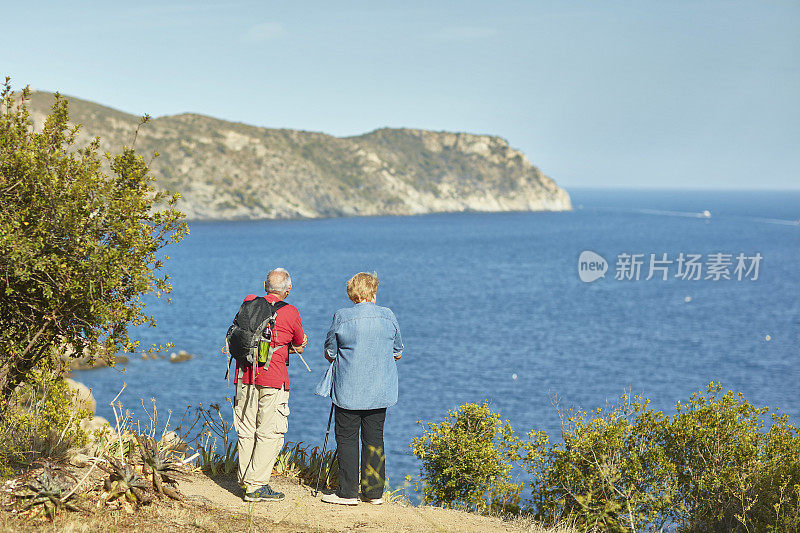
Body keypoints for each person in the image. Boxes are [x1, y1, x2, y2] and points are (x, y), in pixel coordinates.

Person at [321, 272, 403, 506]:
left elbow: (330, 352)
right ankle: (374, 493)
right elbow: (398, 351)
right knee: (374, 438)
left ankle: (347, 493)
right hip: (379, 390)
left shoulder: (342, 316)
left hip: (348, 389)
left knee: (346, 438)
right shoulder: (388, 316)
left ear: (352, 293)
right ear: (374, 292)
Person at [233, 268, 307, 502]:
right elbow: (299, 343)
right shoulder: (291, 311)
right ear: (288, 289)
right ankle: (256, 486)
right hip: (273, 378)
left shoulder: (248, 303)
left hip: (244, 376)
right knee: (270, 432)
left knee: (246, 430)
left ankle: (246, 480)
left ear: (265, 286)